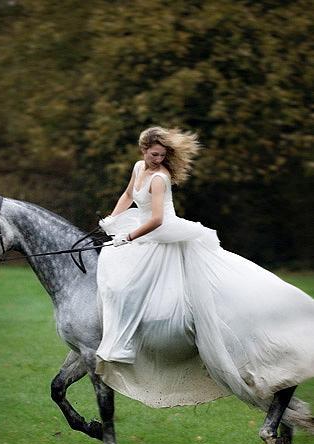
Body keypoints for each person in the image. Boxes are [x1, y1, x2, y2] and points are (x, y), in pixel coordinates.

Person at [95, 126, 314, 412]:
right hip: (142, 228)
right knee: (115, 278)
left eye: (162, 155)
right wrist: (113, 218)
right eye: (153, 155)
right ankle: (120, 339)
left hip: (160, 231)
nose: (157, 160)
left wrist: (129, 235)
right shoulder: (139, 168)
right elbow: (127, 195)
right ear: (143, 151)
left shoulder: (160, 179)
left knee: (132, 283)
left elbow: (159, 219)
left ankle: (125, 343)